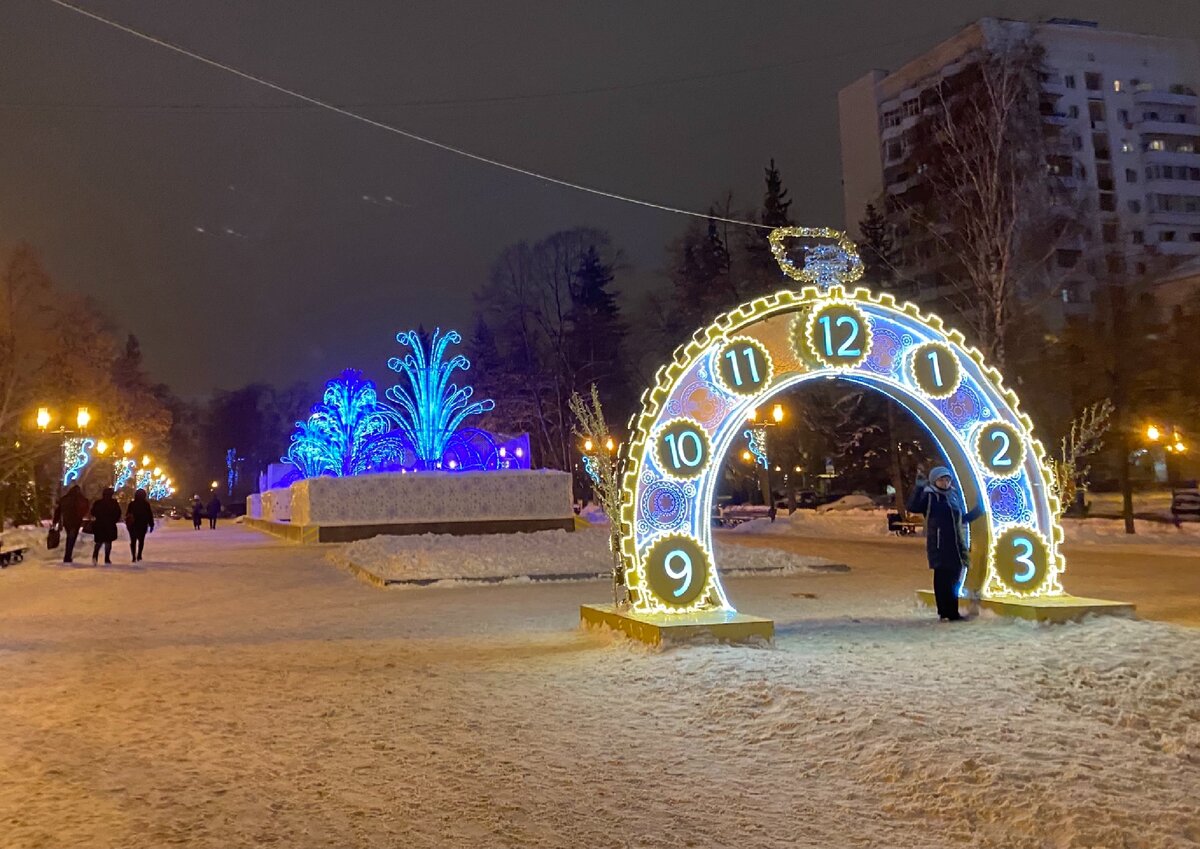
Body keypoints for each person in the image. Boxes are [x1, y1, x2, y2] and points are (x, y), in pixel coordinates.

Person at [907, 465, 985, 622]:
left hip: (955, 543)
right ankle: (945, 612)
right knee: (943, 579)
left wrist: (978, 510)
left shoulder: (953, 495)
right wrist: (918, 488)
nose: (944, 483)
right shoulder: (929, 496)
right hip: (939, 543)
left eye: (947, 479)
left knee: (954, 579)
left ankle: (952, 611)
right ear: (934, 481)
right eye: (941, 480)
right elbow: (913, 507)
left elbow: (961, 518)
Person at [52, 484, 90, 564]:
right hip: (76, 521)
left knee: (69, 537)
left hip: (67, 521)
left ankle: (68, 555)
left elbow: (58, 511)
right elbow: (86, 507)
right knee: (72, 538)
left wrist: (55, 521)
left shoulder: (65, 499)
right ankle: (67, 556)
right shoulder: (80, 499)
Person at [89, 486, 123, 566]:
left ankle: (95, 555)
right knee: (108, 542)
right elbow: (118, 513)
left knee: (99, 542)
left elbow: (93, 512)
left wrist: (98, 517)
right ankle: (107, 558)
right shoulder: (114, 503)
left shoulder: (98, 502)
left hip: (99, 524)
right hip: (110, 525)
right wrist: (114, 520)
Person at [125, 488, 155, 562]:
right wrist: (151, 524)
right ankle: (139, 555)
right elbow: (149, 515)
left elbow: (127, 514)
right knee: (141, 541)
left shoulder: (132, 504)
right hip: (142, 525)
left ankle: (133, 556)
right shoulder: (146, 504)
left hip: (133, 525)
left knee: (133, 541)